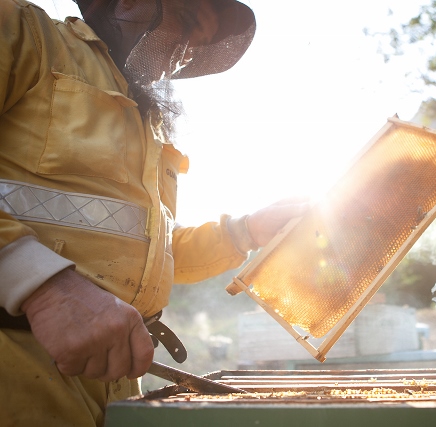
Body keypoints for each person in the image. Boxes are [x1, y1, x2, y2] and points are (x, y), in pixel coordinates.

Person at [0, 0, 308, 425]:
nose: (186, 53)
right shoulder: (21, 32)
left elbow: (149, 248)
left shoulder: (148, 124)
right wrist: (46, 290)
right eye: (188, 23)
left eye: (196, 47)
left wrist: (246, 232)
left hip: (116, 384)